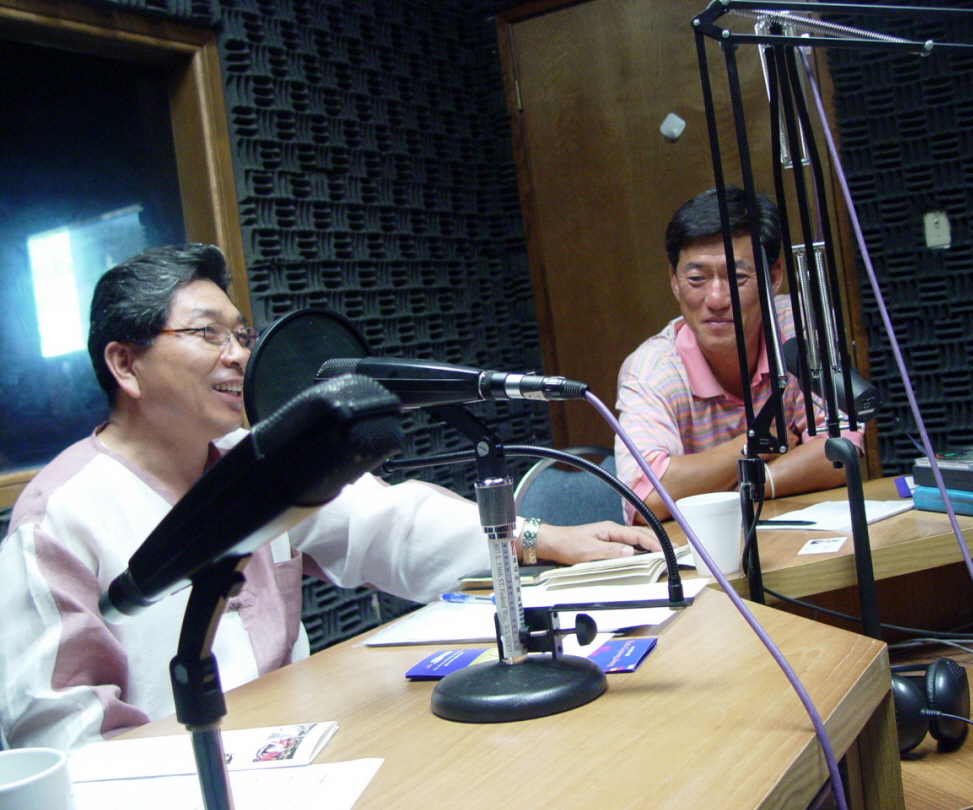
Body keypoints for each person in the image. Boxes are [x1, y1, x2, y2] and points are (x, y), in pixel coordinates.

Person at [0, 243, 658, 753]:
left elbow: (388, 526)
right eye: (208, 334)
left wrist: (541, 538)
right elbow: (63, 737)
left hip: (304, 749)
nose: (238, 356)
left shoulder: (254, 458)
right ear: (124, 364)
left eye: (241, 335)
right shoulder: (58, 519)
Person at [615, 186, 864, 522]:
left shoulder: (801, 327)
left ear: (773, 277)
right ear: (674, 281)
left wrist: (751, 487)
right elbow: (645, 498)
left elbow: (842, 451)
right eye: (697, 278)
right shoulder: (650, 369)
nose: (716, 299)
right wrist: (750, 447)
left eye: (737, 277)